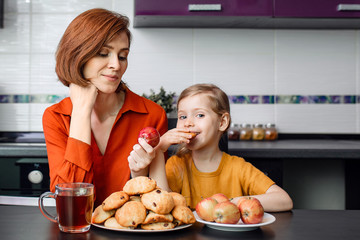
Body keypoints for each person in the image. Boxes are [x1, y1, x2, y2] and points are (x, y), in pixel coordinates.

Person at [42, 8, 168, 207]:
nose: (116, 65)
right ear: (77, 55)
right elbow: (69, 204)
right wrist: (81, 111)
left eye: (123, 56)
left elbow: (157, 203)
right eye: (103, 53)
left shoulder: (151, 115)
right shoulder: (56, 117)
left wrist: (141, 172)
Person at [150, 84, 293, 212]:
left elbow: (284, 200)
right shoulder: (177, 165)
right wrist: (159, 148)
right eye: (182, 117)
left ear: (222, 122)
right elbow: (161, 203)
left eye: (199, 115)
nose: (187, 123)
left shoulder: (238, 167)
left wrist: (233, 203)